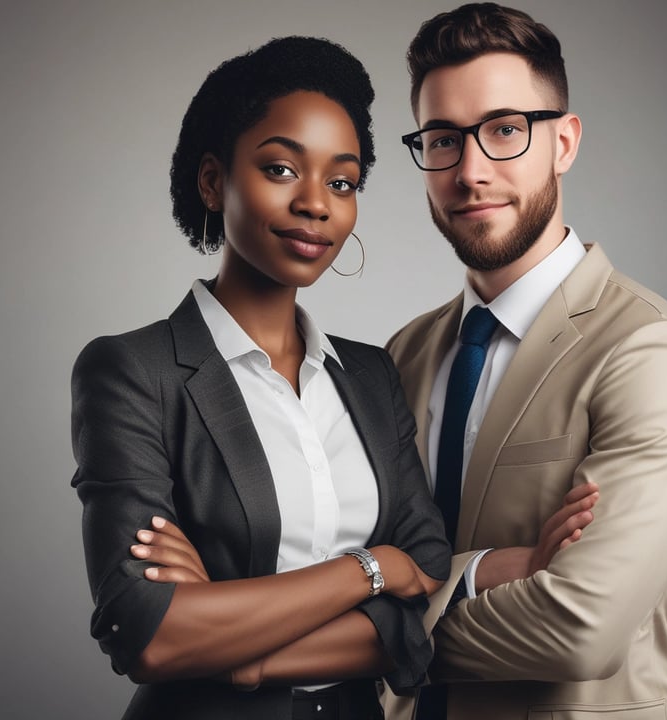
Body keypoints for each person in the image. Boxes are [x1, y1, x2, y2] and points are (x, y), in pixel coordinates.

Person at [70, 35, 598, 720]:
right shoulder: (133, 371)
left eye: (342, 182)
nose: (316, 203)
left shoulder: (371, 373)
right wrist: (370, 569)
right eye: (282, 170)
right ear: (212, 180)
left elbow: (427, 583)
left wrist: (238, 643)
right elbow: (146, 632)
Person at [383, 4, 667, 720]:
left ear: (563, 143)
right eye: (444, 139)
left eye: (505, 130)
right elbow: (336, 563)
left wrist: (366, 637)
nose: (471, 172)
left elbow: (578, 629)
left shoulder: (653, 351)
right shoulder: (401, 356)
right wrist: (480, 573)